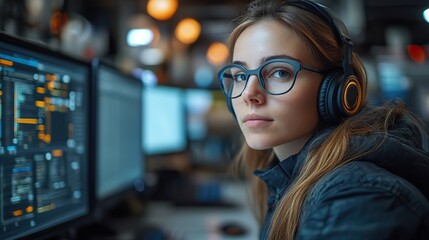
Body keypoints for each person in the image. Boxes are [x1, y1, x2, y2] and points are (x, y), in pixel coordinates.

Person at [217, 0, 429, 239]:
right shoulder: (291, 178)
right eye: (239, 75)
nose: (248, 94)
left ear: (339, 89)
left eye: (280, 72)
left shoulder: (357, 199)